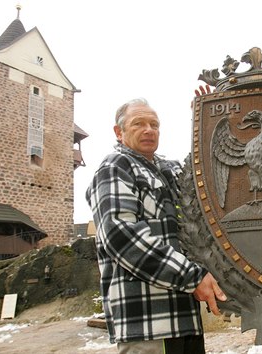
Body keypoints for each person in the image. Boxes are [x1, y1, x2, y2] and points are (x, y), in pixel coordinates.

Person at [86, 98, 226, 354]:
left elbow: (207, 177)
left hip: (186, 318)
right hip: (148, 322)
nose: (149, 130)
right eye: (138, 123)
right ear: (119, 132)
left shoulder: (169, 170)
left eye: (154, 124)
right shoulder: (115, 167)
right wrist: (192, 276)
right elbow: (121, 236)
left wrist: (207, 121)